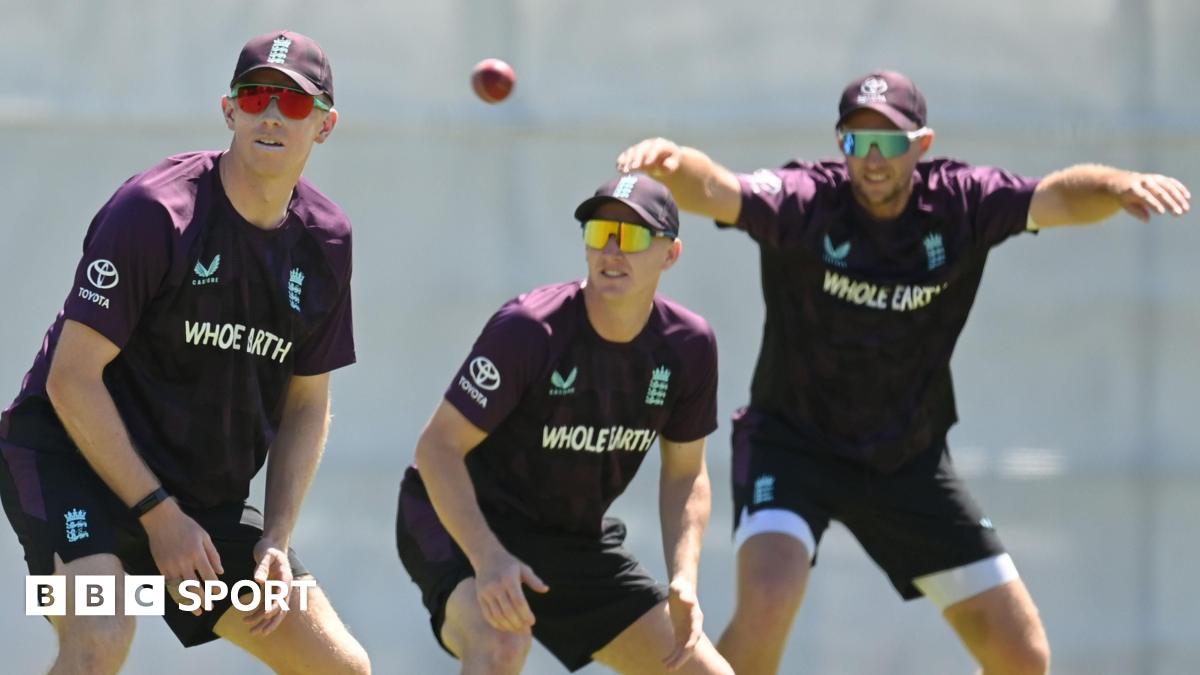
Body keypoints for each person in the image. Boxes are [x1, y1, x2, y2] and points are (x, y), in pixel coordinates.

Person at [616, 70, 1190, 675]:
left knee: (1022, 655)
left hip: (906, 461)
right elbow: (718, 188)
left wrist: (1120, 183)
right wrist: (673, 165)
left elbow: (1060, 195)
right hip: (793, 448)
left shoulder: (963, 202)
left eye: (888, 142)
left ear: (922, 143)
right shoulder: (808, 201)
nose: (872, 159)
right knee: (768, 604)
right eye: (856, 142)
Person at [0, 30, 371, 674]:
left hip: (201, 501)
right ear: (229, 111)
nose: (273, 115)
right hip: (71, 464)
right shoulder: (155, 210)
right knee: (103, 634)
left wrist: (277, 538)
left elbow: (308, 401)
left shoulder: (327, 241)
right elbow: (72, 379)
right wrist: (157, 516)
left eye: (294, 102)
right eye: (256, 97)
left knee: (342, 668)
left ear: (325, 124)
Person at [395, 174, 734, 675]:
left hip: (571, 539)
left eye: (635, 235)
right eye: (600, 233)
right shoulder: (530, 329)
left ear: (670, 253)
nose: (613, 250)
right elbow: (437, 449)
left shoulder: (689, 346)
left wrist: (683, 576)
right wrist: (488, 559)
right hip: (461, 520)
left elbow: (686, 473)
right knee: (501, 643)